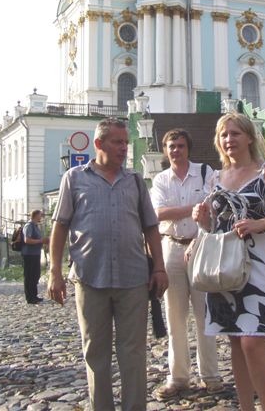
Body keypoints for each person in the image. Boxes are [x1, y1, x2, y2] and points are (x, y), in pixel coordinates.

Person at [47, 118, 168, 411]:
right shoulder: (74, 178)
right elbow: (60, 226)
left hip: (133, 279)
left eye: (125, 142)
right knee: (95, 352)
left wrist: (159, 267)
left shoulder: (135, 181)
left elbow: (151, 227)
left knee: (133, 353)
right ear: (99, 144)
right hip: (90, 277)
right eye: (117, 142)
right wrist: (54, 272)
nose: (124, 148)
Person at [192, 112, 265, 411]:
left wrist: (260, 223)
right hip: (223, 265)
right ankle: (245, 407)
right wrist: (201, 220)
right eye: (223, 134)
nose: (229, 139)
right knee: (235, 343)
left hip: (257, 263)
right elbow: (213, 224)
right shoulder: (215, 178)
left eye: (235, 133)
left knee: (252, 341)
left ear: (250, 138)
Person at [150, 129, 222, 400]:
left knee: (205, 314)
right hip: (171, 247)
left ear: (188, 148)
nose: (176, 150)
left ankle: (210, 375)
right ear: (165, 150)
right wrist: (193, 209)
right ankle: (178, 377)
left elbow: (214, 207)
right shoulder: (160, 179)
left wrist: (193, 211)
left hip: (200, 246)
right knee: (174, 316)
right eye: (171, 146)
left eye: (180, 145)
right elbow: (158, 213)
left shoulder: (205, 172)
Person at [22, 209, 49, 304]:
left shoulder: (36, 226)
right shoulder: (29, 226)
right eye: (40, 215)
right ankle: (30, 297)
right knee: (29, 275)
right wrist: (41, 241)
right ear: (36, 215)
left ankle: (34, 295)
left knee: (35, 275)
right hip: (29, 254)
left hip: (36, 253)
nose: (41, 217)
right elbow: (27, 240)